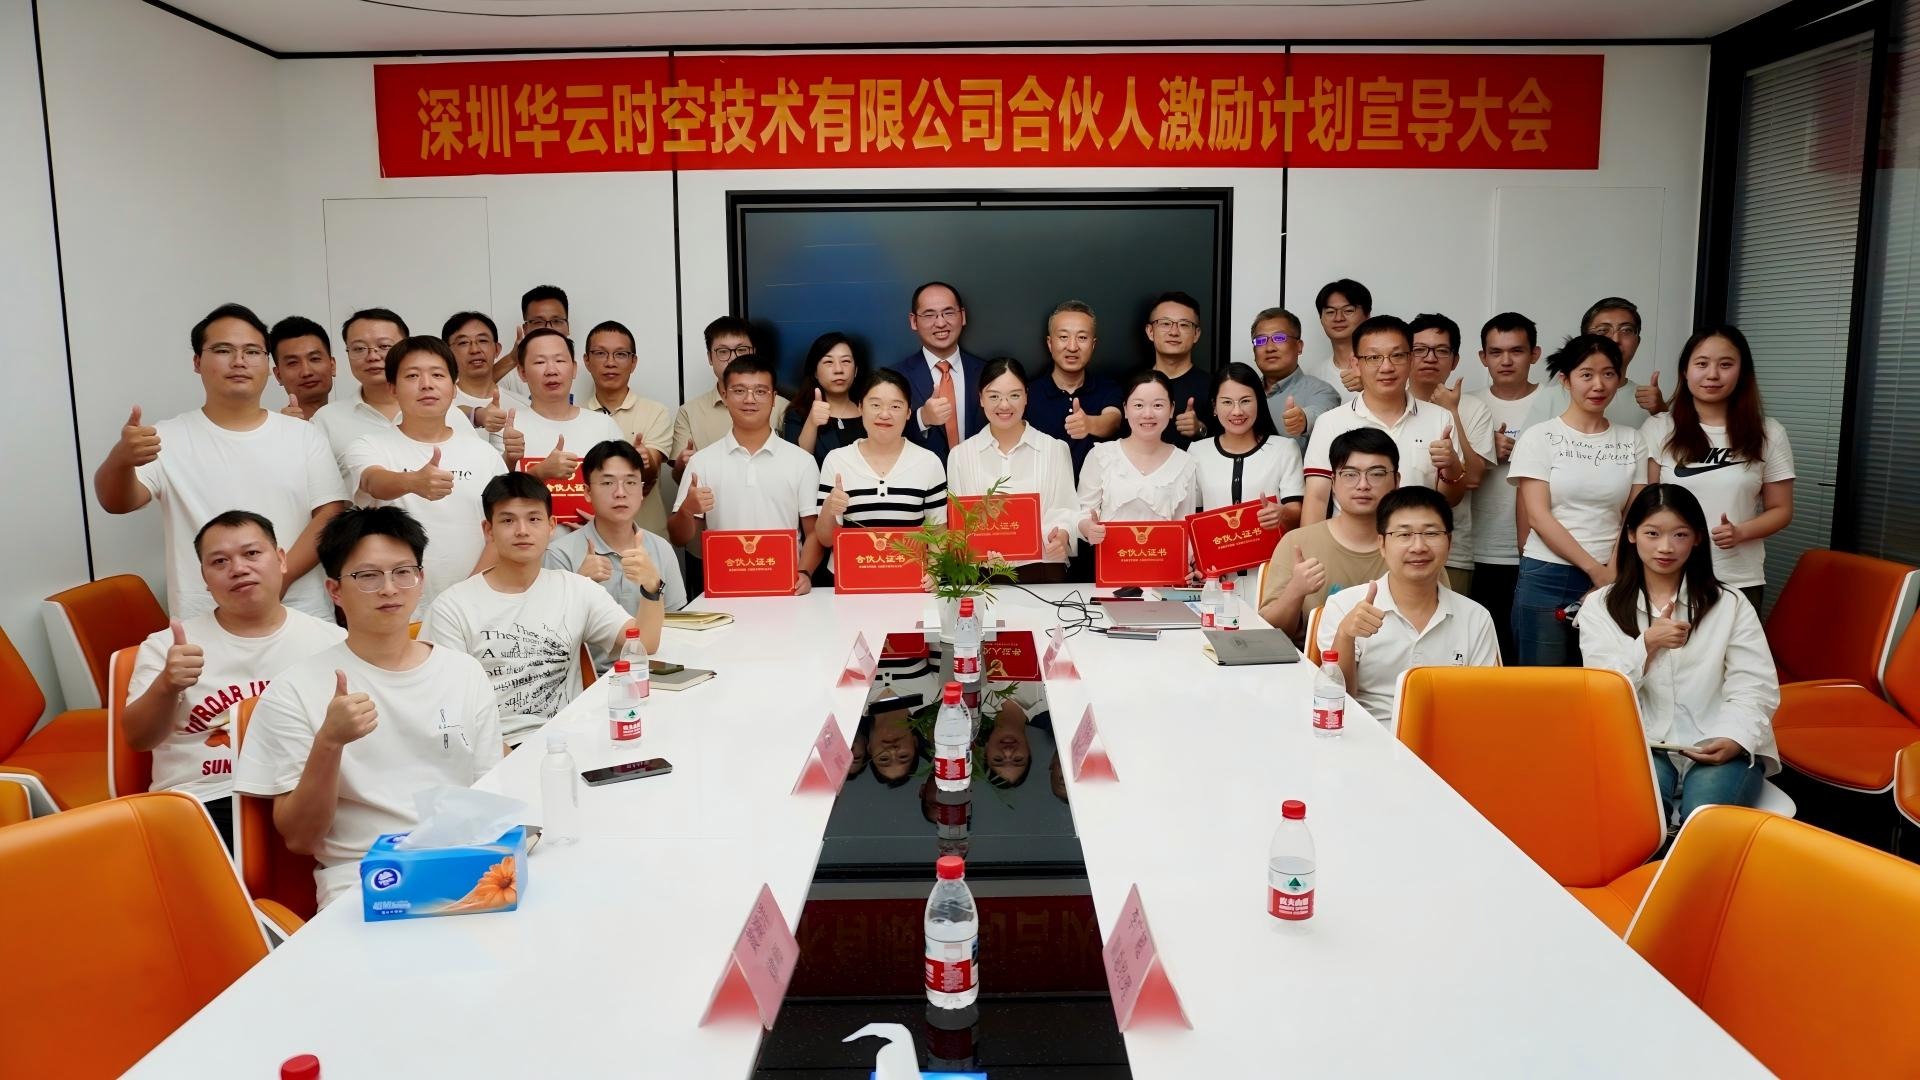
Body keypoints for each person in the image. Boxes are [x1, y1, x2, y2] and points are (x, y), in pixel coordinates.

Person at [233, 506, 503, 909]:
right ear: (335, 591)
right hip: (361, 882)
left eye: (403, 572)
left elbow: (489, 800)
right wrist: (329, 742)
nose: (389, 588)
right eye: (367, 576)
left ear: (421, 580)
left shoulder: (464, 672)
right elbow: (301, 839)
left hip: (463, 866)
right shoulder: (295, 690)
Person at [94, 303, 348, 620]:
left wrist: (280, 579)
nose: (239, 361)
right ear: (197, 362)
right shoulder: (167, 437)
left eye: (252, 352)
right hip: (205, 618)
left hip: (301, 611)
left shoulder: (303, 434)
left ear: (267, 364)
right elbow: (116, 502)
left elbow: (330, 514)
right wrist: (120, 460)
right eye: (223, 350)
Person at [122, 511, 346, 849]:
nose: (238, 568)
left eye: (252, 553)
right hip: (206, 799)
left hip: (303, 791)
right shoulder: (167, 647)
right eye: (219, 561)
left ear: (281, 559)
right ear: (204, 577)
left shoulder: (332, 642)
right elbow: (139, 739)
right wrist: (167, 685)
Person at [1577, 484, 1780, 828]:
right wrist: (1647, 644)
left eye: (1680, 534)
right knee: (1637, 818)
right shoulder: (1600, 606)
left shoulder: (1729, 603)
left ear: (1697, 538)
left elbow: (1755, 685)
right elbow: (1601, 691)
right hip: (1641, 742)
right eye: (1652, 533)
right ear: (1631, 535)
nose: (1666, 547)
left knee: (1703, 821)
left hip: (1717, 739)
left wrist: (1735, 738)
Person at [422, 472, 657, 745]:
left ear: (551, 525)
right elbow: (447, 709)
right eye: (508, 520)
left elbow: (645, 643)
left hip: (569, 741)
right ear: (489, 530)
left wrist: (652, 586)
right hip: (494, 749)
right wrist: (506, 760)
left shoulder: (575, 589)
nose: (522, 530)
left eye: (533, 519)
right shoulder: (452, 608)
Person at [341, 336, 509, 613]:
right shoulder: (369, 446)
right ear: (393, 388)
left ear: (454, 388)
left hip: (475, 604)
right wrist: (412, 482)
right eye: (412, 376)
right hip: (397, 606)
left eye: (438, 375)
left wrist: (469, 593)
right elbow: (373, 482)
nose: (426, 384)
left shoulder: (484, 454)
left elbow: (501, 530)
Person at [1509, 334, 1648, 666]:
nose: (1598, 385)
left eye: (1608, 374)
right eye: (1586, 374)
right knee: (1544, 683)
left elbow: (1636, 517)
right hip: (1548, 573)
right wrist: (1594, 570)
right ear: (1565, 380)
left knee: (1606, 678)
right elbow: (1538, 516)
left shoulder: (1633, 440)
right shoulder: (1540, 437)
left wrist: (1612, 572)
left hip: (1616, 573)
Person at [1314, 486, 1500, 724]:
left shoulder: (1476, 617)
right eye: (1404, 534)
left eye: (1431, 533)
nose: (1418, 546)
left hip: (1448, 736)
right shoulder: (1344, 606)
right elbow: (1336, 705)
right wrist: (1345, 636)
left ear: (1449, 542)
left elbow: (1484, 704)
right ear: (1382, 544)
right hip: (1368, 736)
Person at [1640, 326, 1795, 610]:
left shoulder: (1769, 433)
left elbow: (1781, 509)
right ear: (1685, 371)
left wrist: (1741, 532)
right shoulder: (1659, 428)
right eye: (1701, 364)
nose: (1712, 374)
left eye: (1725, 365)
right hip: (1667, 574)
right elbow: (1644, 505)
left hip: (1737, 578)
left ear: (1742, 372)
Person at [670, 353, 823, 593]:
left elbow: (814, 533)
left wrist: (804, 572)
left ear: (773, 398)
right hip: (724, 587)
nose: (749, 399)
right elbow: (679, 538)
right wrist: (687, 510)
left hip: (785, 587)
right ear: (724, 395)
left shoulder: (801, 462)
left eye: (760, 391)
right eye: (739, 390)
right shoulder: (702, 462)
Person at [1301, 315, 1467, 527]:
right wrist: (1308, 546)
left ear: (1410, 360)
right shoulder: (1330, 422)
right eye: (1374, 357)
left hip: (1414, 541)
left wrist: (1452, 466)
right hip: (1351, 543)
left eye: (1397, 356)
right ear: (1356, 364)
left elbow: (1450, 500)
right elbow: (1316, 498)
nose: (1386, 367)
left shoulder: (1440, 417)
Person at [546, 440, 686, 668]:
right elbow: (548, 639)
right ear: (587, 492)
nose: (620, 493)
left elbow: (678, 626)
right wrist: (579, 585)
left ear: (642, 490)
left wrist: (653, 585)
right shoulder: (559, 554)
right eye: (608, 483)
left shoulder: (661, 548)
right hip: (590, 680)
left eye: (630, 482)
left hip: (656, 673)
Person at [945, 357, 1080, 582]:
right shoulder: (960, 455)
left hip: (1043, 570)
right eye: (994, 396)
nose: (1004, 405)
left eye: (1014, 395)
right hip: (982, 575)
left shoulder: (1055, 449)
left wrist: (1063, 537)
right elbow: (958, 524)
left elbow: (1067, 509)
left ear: (1026, 396)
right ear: (980, 398)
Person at [1259, 429, 1399, 642]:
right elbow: (1269, 635)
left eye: (1376, 474)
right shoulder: (1297, 542)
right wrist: (1295, 591)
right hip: (1310, 662)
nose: (1363, 485)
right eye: (1350, 474)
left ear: (1396, 481)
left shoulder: (1413, 547)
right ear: (1333, 483)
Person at [1468, 312, 1547, 663]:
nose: (1506, 360)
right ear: (1482, 357)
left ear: (1535, 354)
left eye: (1516, 351)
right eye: (1496, 352)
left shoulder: (1557, 401)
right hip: (1477, 548)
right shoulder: (1468, 404)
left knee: (1530, 657)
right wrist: (1484, 448)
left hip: (1541, 549)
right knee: (1484, 654)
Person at [310, 308, 479, 466]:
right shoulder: (327, 420)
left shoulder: (451, 416)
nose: (372, 356)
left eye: (384, 346)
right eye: (359, 348)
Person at [497, 328, 625, 527]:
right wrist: (531, 469)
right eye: (540, 362)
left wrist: (603, 524)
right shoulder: (508, 427)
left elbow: (623, 489)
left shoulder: (604, 425)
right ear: (522, 372)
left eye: (559, 360)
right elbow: (494, 498)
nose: (551, 370)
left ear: (574, 368)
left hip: (594, 542)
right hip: (528, 543)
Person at [1408, 313, 1497, 594]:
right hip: (1393, 542)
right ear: (1406, 355)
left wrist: (1452, 411)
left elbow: (1473, 478)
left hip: (1453, 550)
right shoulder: (1391, 403)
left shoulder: (1474, 408)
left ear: (1455, 360)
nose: (1430, 358)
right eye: (1420, 350)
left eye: (1441, 351)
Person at [815, 369, 950, 548]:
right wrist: (829, 509)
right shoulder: (836, 460)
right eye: (875, 405)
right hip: (852, 566)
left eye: (895, 406)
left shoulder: (929, 462)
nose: (885, 414)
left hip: (910, 566)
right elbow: (826, 540)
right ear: (860, 407)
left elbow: (938, 536)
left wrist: (933, 568)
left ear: (908, 412)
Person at [1076, 371, 1200, 543]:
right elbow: (1083, 513)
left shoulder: (1184, 463)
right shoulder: (1101, 456)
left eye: (1158, 405)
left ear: (1171, 409)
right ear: (1125, 409)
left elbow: (1185, 531)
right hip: (1113, 558)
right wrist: (1087, 527)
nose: (1148, 414)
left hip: (1163, 559)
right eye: (1139, 405)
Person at [1188, 361, 1304, 542]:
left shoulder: (1285, 449)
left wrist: (1282, 513)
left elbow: (1297, 512)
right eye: (1227, 402)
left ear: (1259, 402)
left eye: (1246, 401)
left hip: (1272, 558)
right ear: (1214, 406)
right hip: (1215, 558)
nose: (1237, 411)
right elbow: (1192, 515)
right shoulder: (1197, 452)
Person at [582, 319, 675, 536]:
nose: (610, 362)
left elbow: (651, 470)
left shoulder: (656, 412)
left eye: (621, 354)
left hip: (647, 534)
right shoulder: (575, 415)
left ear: (633, 362)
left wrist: (644, 460)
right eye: (600, 353)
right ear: (586, 361)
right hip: (590, 536)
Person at [1524, 297, 1670, 429]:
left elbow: (1671, 447)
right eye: (1603, 330)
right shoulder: (1550, 397)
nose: (1615, 339)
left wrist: (1661, 412)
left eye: (1626, 330)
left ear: (1637, 341)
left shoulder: (1650, 402)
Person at [671, 316, 789, 472]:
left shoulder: (782, 407)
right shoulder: (689, 412)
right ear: (710, 357)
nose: (733, 358)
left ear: (754, 352)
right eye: (723, 351)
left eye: (741, 350)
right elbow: (680, 478)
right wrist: (682, 465)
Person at [1025, 301, 1123, 480]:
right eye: (1063, 337)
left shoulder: (1108, 388)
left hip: (1098, 494)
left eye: (1082, 338)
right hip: (1044, 491)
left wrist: (1089, 424)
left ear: (1093, 345)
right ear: (1050, 343)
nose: (1072, 347)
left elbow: (1113, 420)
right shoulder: (1028, 394)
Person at [892, 282, 986, 462]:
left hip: (980, 476)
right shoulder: (894, 378)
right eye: (929, 315)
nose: (941, 323)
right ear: (913, 321)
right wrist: (922, 418)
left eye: (949, 313)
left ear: (962, 316)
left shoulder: (986, 373)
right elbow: (883, 435)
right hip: (921, 477)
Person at [1249, 306, 1339, 451]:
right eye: (1260, 341)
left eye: (1279, 338)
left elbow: (1321, 413)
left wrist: (1304, 419)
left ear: (1299, 346)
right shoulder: (1245, 391)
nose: (1270, 348)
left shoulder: (1322, 391)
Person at [781, 331, 868, 463]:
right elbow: (795, 465)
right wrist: (811, 423)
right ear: (815, 372)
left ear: (855, 370)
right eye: (828, 362)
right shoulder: (798, 413)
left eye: (845, 361)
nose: (838, 369)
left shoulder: (869, 410)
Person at [1142, 291, 1213, 449]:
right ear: (1150, 331)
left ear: (1196, 334)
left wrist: (1200, 429)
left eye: (1184, 325)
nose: (1174, 332)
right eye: (1165, 323)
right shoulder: (1131, 385)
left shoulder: (1214, 387)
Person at [443, 311, 518, 437]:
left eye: (482, 340)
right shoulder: (439, 403)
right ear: (447, 353)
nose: (475, 349)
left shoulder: (522, 406)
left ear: (497, 349)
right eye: (463, 343)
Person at [495, 284, 572, 400]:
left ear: (568, 327)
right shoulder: (509, 374)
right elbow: (473, 392)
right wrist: (512, 359)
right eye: (538, 322)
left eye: (556, 321)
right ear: (525, 329)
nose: (548, 328)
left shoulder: (585, 370)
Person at [1305, 279, 1372, 401]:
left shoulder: (1386, 365)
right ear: (1321, 319)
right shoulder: (1313, 375)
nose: (1338, 318)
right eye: (1330, 312)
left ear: (1367, 316)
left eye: (1348, 310)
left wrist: (1371, 386)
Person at [267, 315, 337, 421]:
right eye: (292, 363)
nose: (306, 372)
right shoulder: (274, 429)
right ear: (278, 375)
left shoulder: (354, 423)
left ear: (332, 366)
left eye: (314, 359)